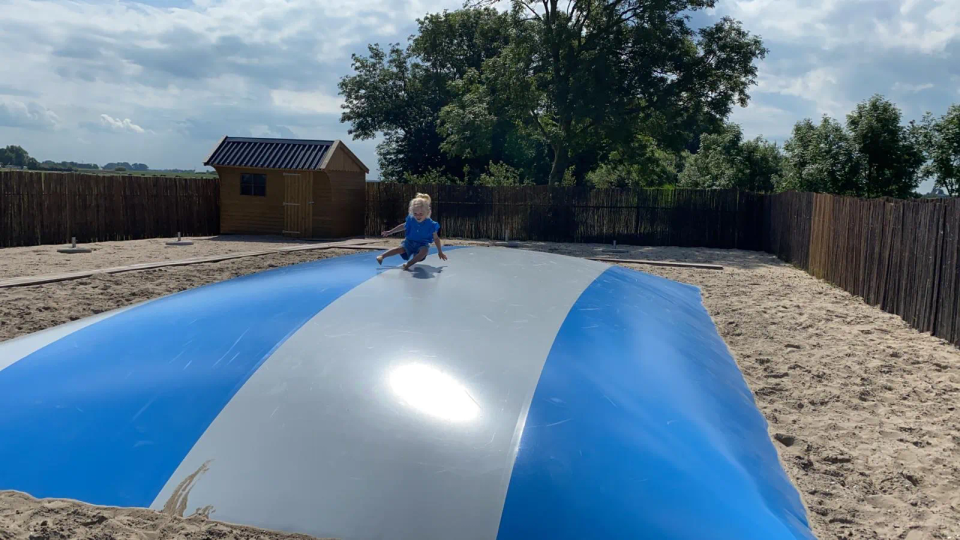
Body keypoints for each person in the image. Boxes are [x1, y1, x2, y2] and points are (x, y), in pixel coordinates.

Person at [377, 193, 447, 270]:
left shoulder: (431, 224)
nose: (418, 216)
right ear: (412, 212)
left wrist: (440, 251)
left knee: (425, 250)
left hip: (422, 245)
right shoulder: (411, 220)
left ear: (427, 212)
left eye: (421, 214)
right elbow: (403, 226)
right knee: (399, 249)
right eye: (415, 214)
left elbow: (436, 239)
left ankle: (409, 264)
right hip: (409, 243)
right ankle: (382, 256)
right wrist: (390, 232)